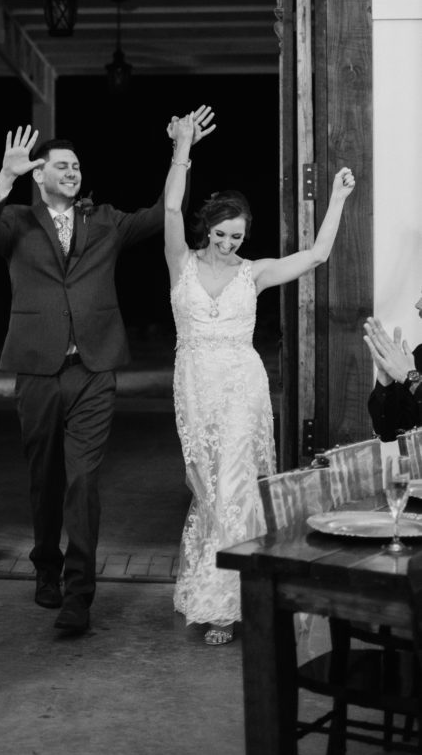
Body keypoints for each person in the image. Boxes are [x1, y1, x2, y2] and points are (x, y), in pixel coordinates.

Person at [0, 119, 198, 635]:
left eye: (76, 166)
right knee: (44, 479)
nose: (72, 172)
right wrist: (3, 179)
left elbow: (162, 213)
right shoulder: (17, 221)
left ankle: (79, 594)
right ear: (39, 175)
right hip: (36, 370)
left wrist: (181, 152)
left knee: (82, 480)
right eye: (62, 166)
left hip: (93, 371)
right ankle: (45, 567)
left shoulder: (106, 221)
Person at [164, 111, 355, 645]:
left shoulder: (255, 272)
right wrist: (183, 149)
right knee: (208, 488)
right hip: (194, 386)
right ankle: (220, 585)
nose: (229, 243)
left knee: (235, 487)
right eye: (222, 234)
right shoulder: (180, 262)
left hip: (242, 388)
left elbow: (317, 255)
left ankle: (228, 605)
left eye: (238, 236)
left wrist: (337, 199)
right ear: (207, 229)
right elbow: (172, 206)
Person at [364, 291, 422, 442]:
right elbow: (388, 432)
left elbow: (412, 379)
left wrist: (412, 379)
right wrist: (386, 380)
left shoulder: (412, 373)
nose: (418, 305)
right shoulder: (420, 355)